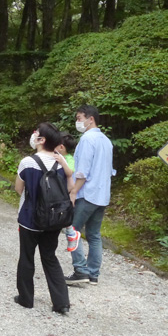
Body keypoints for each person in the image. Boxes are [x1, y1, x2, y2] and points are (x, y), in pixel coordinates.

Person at [14, 122, 71, 315]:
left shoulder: (27, 162)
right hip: (53, 220)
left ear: (42, 140)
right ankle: (61, 302)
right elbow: (68, 188)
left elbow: (19, 189)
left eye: (36, 133)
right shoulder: (60, 162)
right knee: (50, 257)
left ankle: (26, 299)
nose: (33, 135)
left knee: (27, 257)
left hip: (29, 219)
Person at [65, 105, 114, 287]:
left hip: (87, 193)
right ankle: (93, 274)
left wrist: (73, 191)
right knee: (94, 235)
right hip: (102, 194)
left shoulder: (87, 139)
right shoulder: (106, 141)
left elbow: (82, 171)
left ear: (90, 119)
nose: (77, 122)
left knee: (72, 230)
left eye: (79, 118)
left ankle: (80, 270)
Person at [56, 133, 81, 252]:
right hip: (57, 190)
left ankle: (71, 234)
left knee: (65, 214)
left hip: (64, 191)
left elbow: (70, 172)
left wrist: (62, 162)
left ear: (61, 147)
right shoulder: (56, 156)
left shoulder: (69, 159)